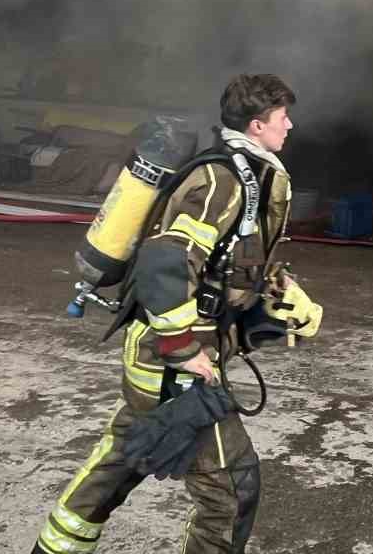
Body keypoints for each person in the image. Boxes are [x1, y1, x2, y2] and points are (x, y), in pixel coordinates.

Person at [32, 73, 323, 554]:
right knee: (232, 488)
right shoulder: (223, 181)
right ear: (256, 125)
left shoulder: (247, 175)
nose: (289, 126)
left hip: (162, 356)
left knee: (122, 462)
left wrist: (275, 292)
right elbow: (167, 260)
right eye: (282, 117)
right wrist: (182, 347)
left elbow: (225, 261)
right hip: (170, 363)